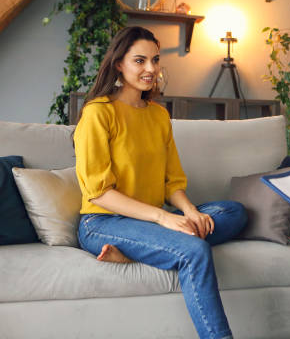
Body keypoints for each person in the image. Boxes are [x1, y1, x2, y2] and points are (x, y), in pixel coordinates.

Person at [74, 26, 247, 339]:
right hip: (103, 223)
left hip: (152, 222)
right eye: (140, 61)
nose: (151, 69)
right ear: (119, 64)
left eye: (155, 60)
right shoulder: (98, 113)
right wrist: (164, 218)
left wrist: (189, 211)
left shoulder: (158, 115)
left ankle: (140, 251)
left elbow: (172, 182)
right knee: (194, 251)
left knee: (233, 211)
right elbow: (98, 192)